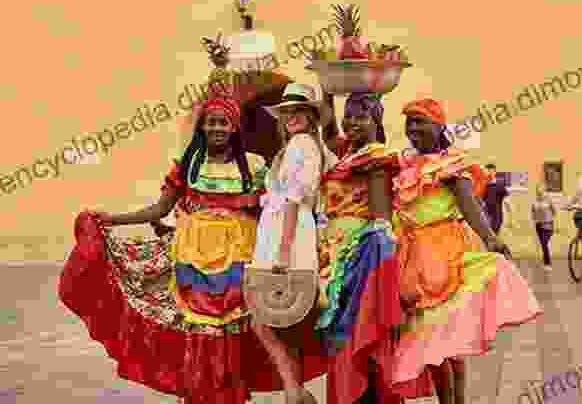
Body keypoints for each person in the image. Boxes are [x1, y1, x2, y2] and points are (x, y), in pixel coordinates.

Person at [58, 90, 326, 403]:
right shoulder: (187, 166)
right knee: (201, 331)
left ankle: (282, 392)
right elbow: (159, 208)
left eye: (224, 122)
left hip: (240, 256)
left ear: (235, 127)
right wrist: (113, 219)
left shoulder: (253, 168)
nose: (217, 128)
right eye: (211, 122)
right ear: (201, 127)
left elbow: (279, 205)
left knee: (250, 327)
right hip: (191, 259)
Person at [387, 99, 542, 404]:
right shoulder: (407, 167)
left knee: (442, 345)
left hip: (445, 256)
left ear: (440, 126)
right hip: (412, 259)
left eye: (421, 122)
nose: (414, 129)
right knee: (438, 346)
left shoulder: (451, 164)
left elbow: (469, 204)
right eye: (410, 123)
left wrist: (490, 238)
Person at [318, 92, 432, 404]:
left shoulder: (376, 158)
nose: (352, 122)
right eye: (349, 115)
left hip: (361, 255)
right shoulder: (343, 151)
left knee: (357, 330)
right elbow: (328, 130)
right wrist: (326, 87)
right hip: (333, 253)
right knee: (339, 332)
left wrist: (373, 273)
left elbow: (381, 220)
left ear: (376, 121)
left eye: (361, 116)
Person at [249, 84, 332, 404]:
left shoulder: (303, 146)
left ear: (312, 117)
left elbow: (295, 201)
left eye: (298, 111)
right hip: (283, 229)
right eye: (286, 112)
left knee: (265, 317)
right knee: (285, 318)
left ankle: (293, 392)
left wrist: (283, 251)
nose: (291, 117)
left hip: (288, 232)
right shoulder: (304, 146)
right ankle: (293, 392)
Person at [531, 184, 556, 271]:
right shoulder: (535, 201)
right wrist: (535, 220)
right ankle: (546, 261)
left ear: (544, 191)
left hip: (548, 225)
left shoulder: (548, 200)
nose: (540, 192)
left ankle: (548, 263)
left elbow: (554, 211)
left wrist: (550, 220)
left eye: (541, 190)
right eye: (538, 191)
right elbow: (533, 212)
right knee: (543, 244)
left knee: (544, 243)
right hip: (538, 225)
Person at [483, 163, 509, 235]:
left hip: (496, 217)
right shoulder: (484, 185)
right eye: (487, 172)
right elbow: (481, 201)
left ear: (494, 172)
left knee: (494, 236)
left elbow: (506, 200)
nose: (488, 173)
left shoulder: (499, 184)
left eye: (490, 171)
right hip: (486, 216)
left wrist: (511, 216)